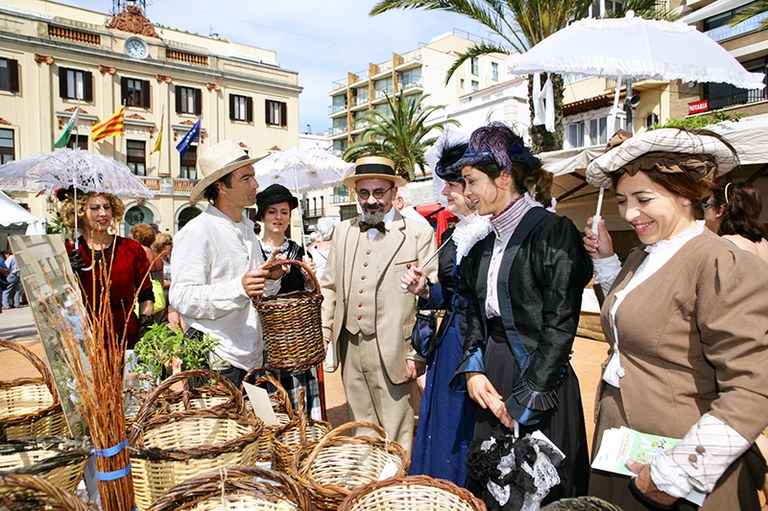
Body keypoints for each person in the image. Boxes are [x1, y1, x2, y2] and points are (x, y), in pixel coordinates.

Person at [582, 128, 768, 510]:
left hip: (681, 469)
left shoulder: (721, 263)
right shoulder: (641, 255)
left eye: (643, 198)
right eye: (622, 200)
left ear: (685, 195)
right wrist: (605, 260)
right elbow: (633, 319)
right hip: (625, 453)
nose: (630, 213)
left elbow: (752, 389)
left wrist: (678, 472)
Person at [450, 123, 592, 506]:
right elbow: (473, 312)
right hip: (492, 376)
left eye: (472, 182)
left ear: (505, 177)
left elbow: (560, 324)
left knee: (538, 492)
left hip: (540, 380)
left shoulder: (553, 233)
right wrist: (475, 370)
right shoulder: (482, 244)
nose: (466, 194)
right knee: (495, 488)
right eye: (463, 184)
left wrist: (529, 397)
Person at [320, 156, 437, 451]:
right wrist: (324, 333)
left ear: (393, 193)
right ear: (356, 194)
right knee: (360, 429)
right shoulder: (344, 231)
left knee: (397, 434)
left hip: (396, 349)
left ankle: (396, 490)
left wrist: (418, 352)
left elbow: (431, 300)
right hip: (350, 344)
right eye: (364, 193)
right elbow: (330, 286)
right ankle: (367, 489)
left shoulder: (417, 232)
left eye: (379, 193)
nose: (371, 201)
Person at [401, 139, 490, 485]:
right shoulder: (455, 234)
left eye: (452, 185)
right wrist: (426, 290)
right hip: (450, 343)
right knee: (442, 428)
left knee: (464, 430)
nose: (446, 193)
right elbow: (452, 295)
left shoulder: (491, 234)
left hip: (478, 346)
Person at [170, 140, 284, 387]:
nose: (256, 184)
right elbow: (181, 297)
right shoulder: (198, 231)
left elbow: (254, 291)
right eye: (246, 178)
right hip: (215, 359)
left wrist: (271, 278)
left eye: (253, 177)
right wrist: (239, 288)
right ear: (221, 186)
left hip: (250, 356)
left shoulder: (245, 228)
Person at [255, 183, 322, 420]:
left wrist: (309, 280)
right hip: (262, 340)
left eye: (284, 211)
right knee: (268, 409)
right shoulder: (253, 251)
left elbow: (310, 294)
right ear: (262, 215)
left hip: (295, 343)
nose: (278, 217)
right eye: (272, 211)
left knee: (299, 407)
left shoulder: (299, 251)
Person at [60, 190, 153, 349]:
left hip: (127, 339)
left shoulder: (132, 249)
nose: (103, 213)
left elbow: (146, 295)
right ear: (79, 212)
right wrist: (69, 277)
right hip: (85, 342)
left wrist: (144, 331)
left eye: (107, 207)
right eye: (95, 208)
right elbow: (57, 302)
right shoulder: (68, 251)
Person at [703, 180, 768, 262]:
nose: (704, 211)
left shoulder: (723, 245)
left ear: (720, 210)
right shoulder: (763, 243)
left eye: (707, 206)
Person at [131, 223, 166, 324]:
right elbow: (161, 281)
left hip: (145, 302)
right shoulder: (157, 256)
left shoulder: (140, 253)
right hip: (159, 299)